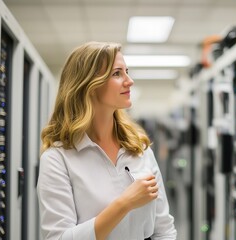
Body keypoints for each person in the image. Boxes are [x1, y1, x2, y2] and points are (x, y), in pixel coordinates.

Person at [37, 41, 177, 240]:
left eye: (126, 71)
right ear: (88, 85)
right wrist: (124, 204)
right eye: (117, 73)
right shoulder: (58, 159)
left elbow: (164, 229)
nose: (129, 81)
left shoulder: (139, 150)